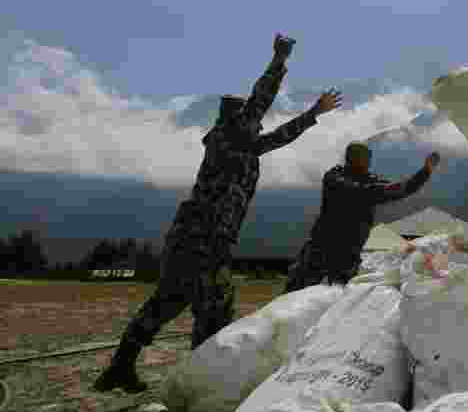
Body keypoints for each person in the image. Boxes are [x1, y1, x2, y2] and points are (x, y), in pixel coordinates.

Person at [93, 34, 343, 393]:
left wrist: (312, 115)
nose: (257, 124)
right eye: (250, 120)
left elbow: (278, 137)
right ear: (237, 120)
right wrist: (279, 60)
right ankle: (201, 384)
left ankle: (120, 366)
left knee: (167, 301)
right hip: (206, 239)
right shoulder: (233, 139)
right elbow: (261, 101)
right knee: (215, 312)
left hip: (192, 235)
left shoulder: (238, 146)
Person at [284, 143, 440, 292]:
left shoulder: (369, 180)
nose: (366, 161)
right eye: (364, 157)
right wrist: (417, 176)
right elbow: (366, 191)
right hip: (322, 248)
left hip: (348, 254)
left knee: (341, 300)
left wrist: (425, 171)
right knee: (295, 292)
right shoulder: (335, 178)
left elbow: (400, 189)